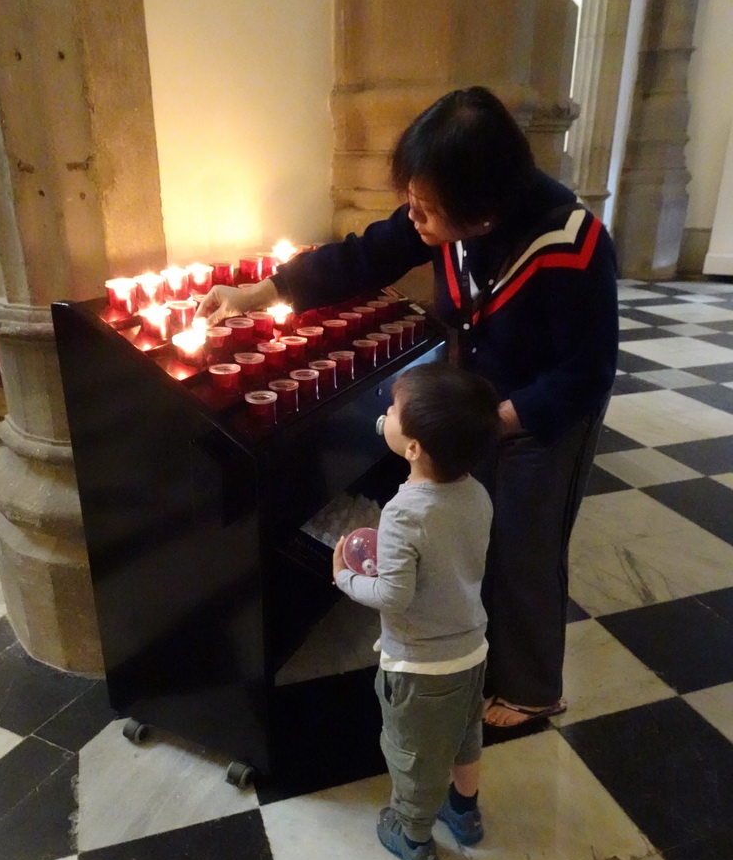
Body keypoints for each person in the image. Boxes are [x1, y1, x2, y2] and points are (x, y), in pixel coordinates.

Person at [197, 86, 619, 730]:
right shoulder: (445, 210)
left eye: (424, 209)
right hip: (470, 406)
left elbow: (584, 373)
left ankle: (533, 688)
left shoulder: (572, 245)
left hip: (543, 416)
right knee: (467, 535)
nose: (412, 217)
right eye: (412, 201)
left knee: (523, 546)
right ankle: (468, 659)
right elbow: (364, 257)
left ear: (481, 214)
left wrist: (496, 423)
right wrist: (263, 290)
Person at [334, 362, 499, 860]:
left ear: (413, 449)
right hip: (472, 648)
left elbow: (393, 595)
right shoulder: (476, 492)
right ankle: (465, 813)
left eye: (393, 413)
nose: (385, 415)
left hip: (419, 666)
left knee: (413, 753)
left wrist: (344, 576)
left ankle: (413, 835)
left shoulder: (405, 511)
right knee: (464, 735)